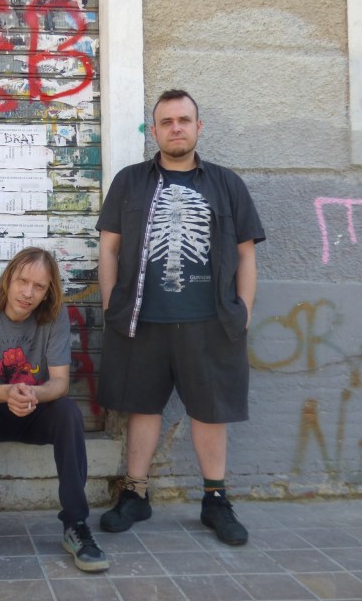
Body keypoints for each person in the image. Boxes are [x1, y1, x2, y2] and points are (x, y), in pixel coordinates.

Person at [97, 88, 265, 546]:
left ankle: (215, 499)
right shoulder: (129, 182)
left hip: (210, 321)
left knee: (211, 411)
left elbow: (245, 254)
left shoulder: (226, 184)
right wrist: (112, 302)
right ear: (154, 131)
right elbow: (109, 248)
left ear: (198, 127)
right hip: (141, 319)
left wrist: (244, 310)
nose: (176, 128)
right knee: (141, 405)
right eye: (167, 121)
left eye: (184, 120)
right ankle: (135, 493)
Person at [0, 248, 110, 573]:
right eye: (23, 281)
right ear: (8, 278)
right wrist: (8, 392)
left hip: (36, 409)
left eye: (38, 286)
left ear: (48, 291)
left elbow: (60, 383)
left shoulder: (54, 316)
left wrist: (30, 394)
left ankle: (76, 524)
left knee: (68, 412)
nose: (27, 293)